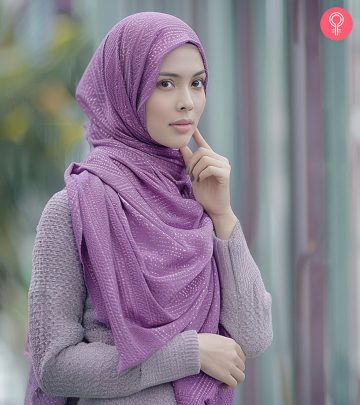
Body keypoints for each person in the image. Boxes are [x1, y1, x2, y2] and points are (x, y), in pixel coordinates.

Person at [23, 11, 273, 405]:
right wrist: (188, 354)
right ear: (127, 88)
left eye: (197, 83)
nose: (187, 103)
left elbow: (253, 337)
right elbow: (55, 365)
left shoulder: (195, 198)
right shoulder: (74, 207)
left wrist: (222, 216)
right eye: (165, 83)